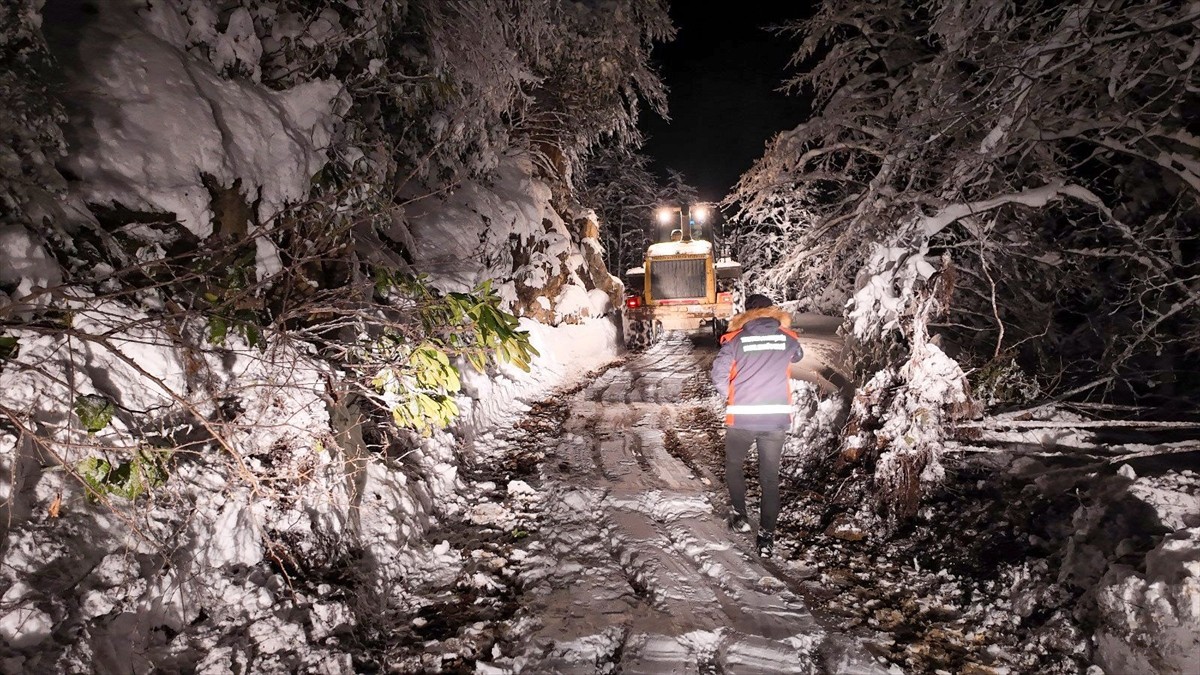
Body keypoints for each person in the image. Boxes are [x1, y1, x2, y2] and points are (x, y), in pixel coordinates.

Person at [710, 293, 803, 558]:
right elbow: (797, 356)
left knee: (734, 466)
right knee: (770, 479)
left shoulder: (735, 340)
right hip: (775, 419)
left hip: (742, 418)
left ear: (746, 313)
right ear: (771, 311)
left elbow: (718, 376)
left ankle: (740, 516)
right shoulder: (788, 338)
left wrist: (731, 396)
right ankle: (766, 538)